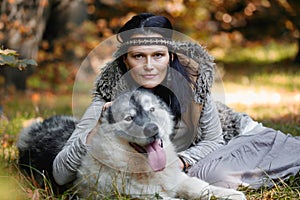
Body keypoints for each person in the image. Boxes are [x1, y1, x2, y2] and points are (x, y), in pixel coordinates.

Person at [53, 13, 300, 190]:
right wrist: (96, 127)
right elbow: (61, 174)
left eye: (157, 55)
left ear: (170, 56)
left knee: (207, 176)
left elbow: (214, 139)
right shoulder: (109, 99)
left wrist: (179, 161)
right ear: (125, 60)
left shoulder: (193, 82)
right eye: (138, 56)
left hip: (239, 137)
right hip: (203, 162)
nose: (149, 66)